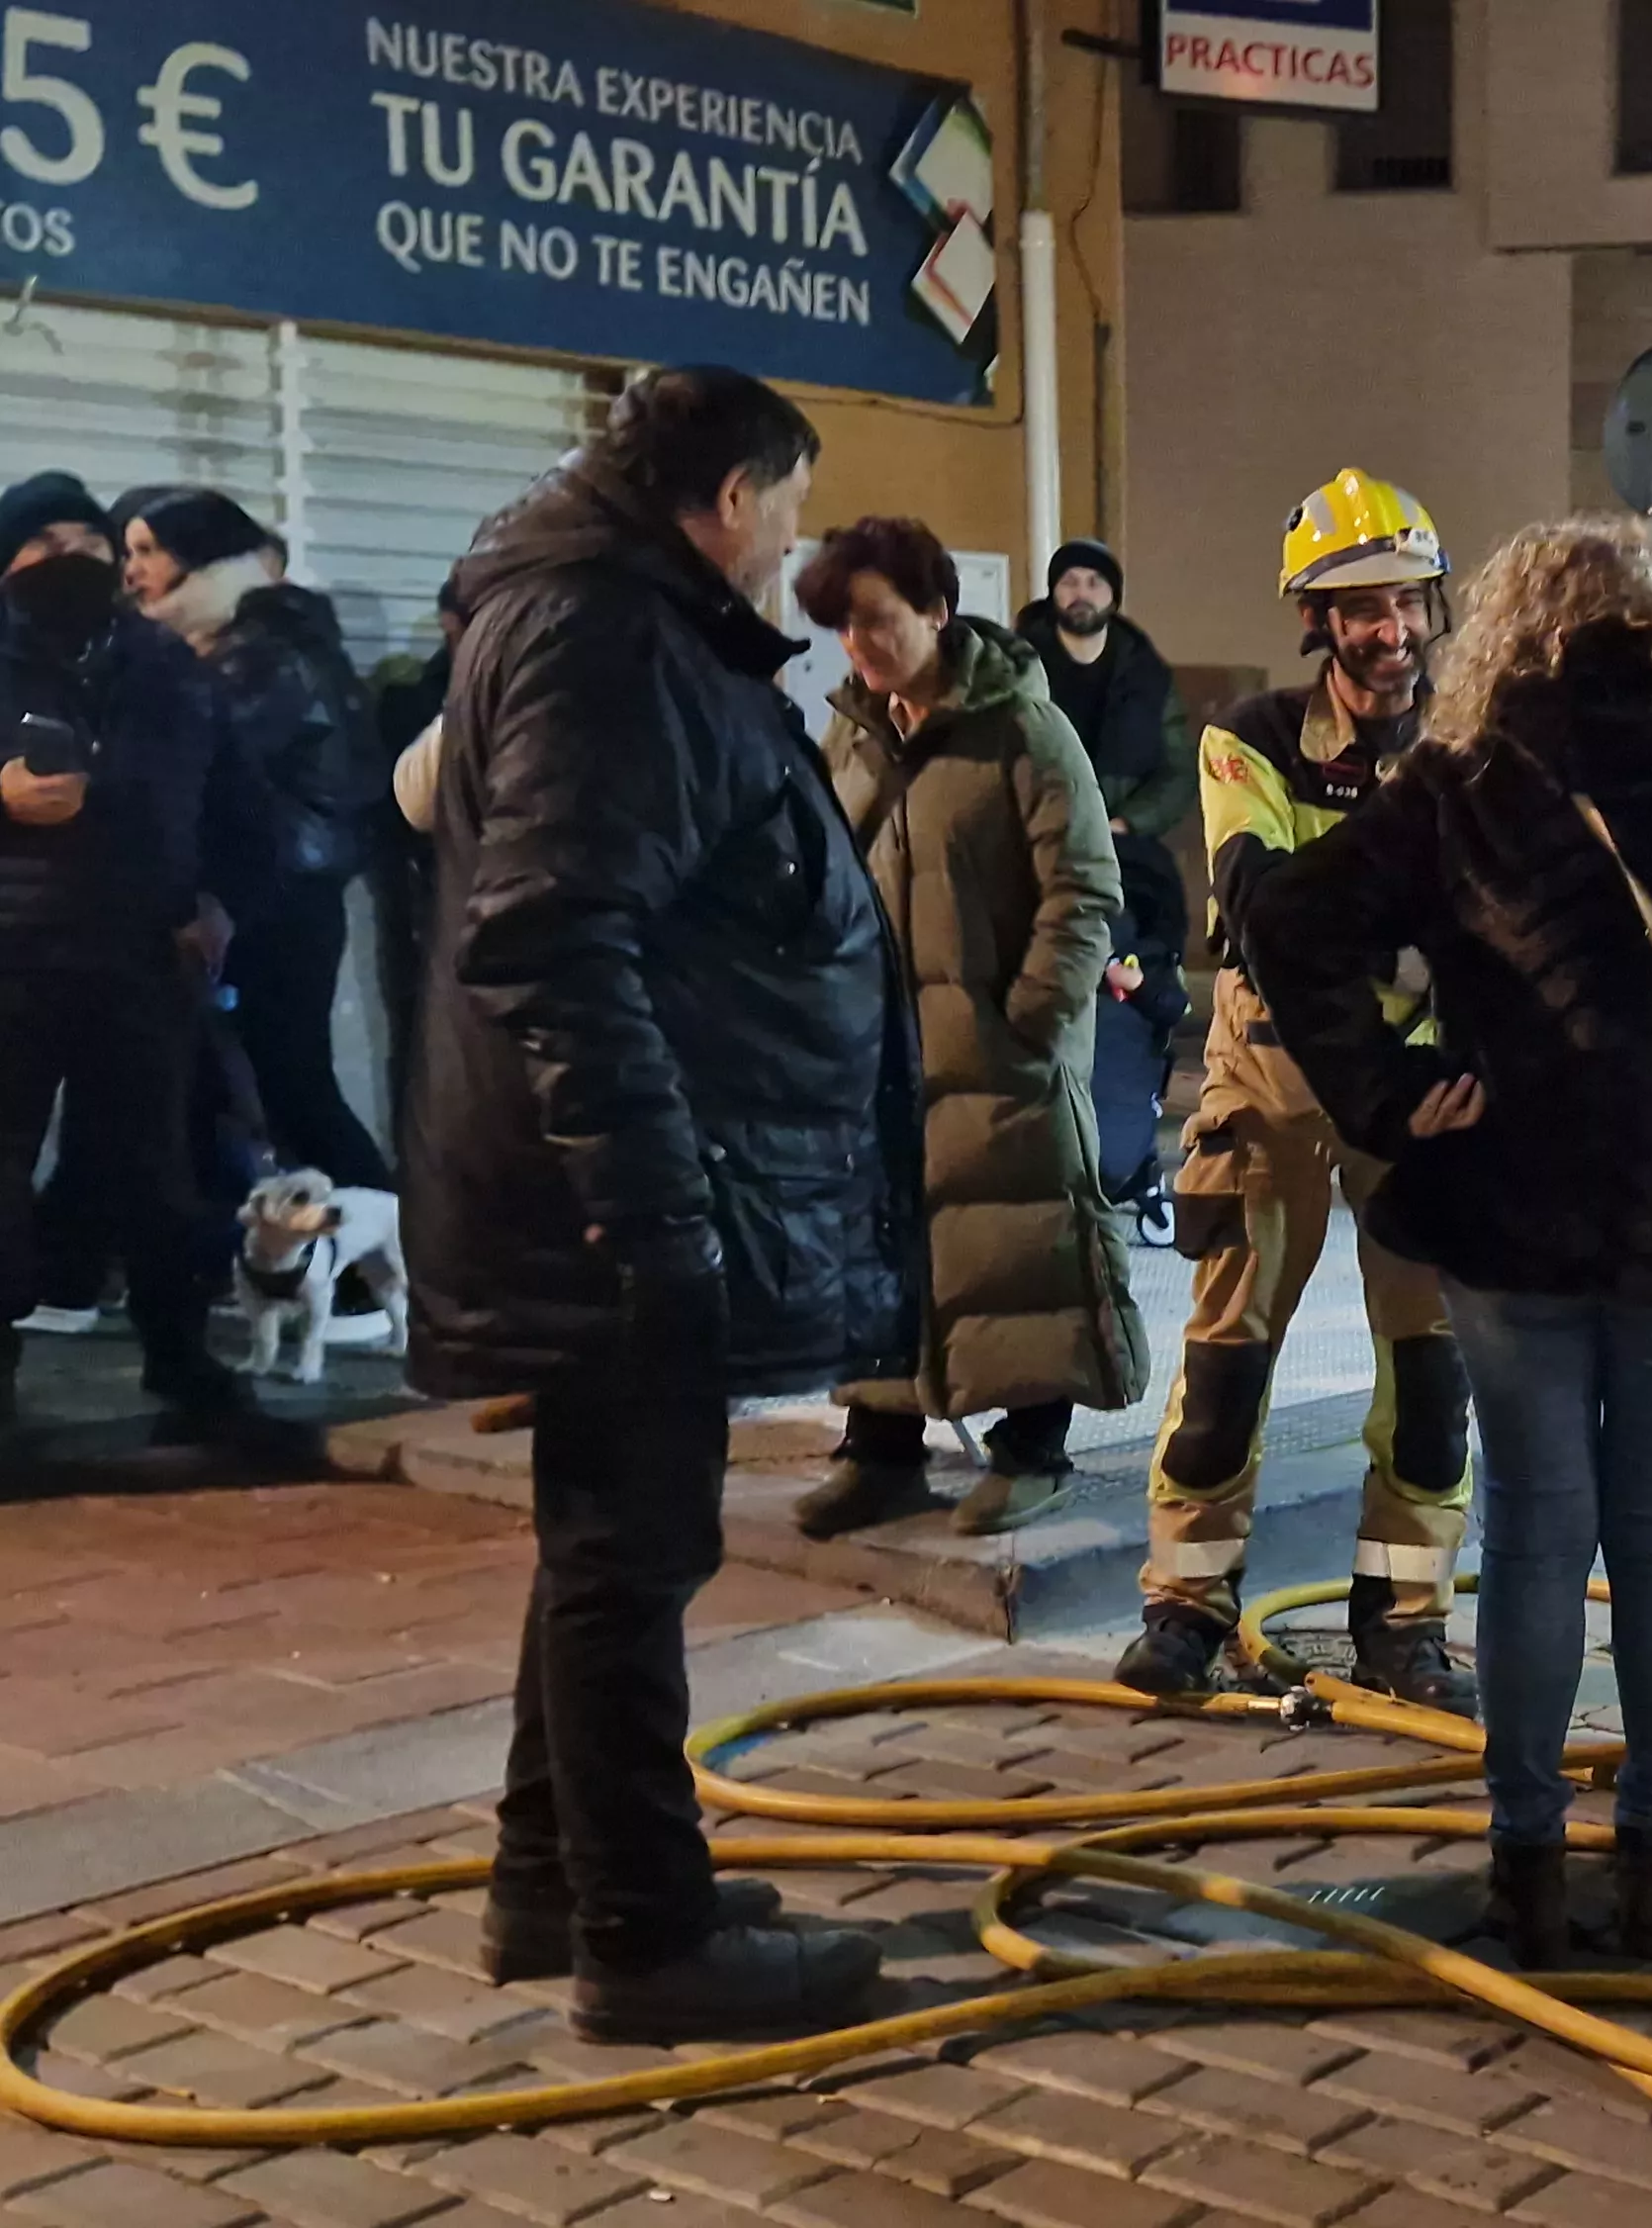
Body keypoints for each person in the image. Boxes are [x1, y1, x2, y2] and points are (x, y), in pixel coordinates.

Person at [1238, 512, 1652, 1966]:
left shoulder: (1463, 779)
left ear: (1515, 631)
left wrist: (1393, 1093)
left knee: (1530, 1538)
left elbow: (1290, 922)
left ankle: (1525, 1868)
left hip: (1508, 1204)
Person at [408, 367, 908, 2040]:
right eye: (790, 505)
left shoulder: (605, 620)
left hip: (626, 1185)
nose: (795, 543)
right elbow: (560, 934)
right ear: (729, 500)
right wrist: (655, 1215)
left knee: (609, 1542)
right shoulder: (609, 638)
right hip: (621, 1200)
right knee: (631, 1549)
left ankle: (562, 1878)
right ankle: (646, 1935)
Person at [1119, 472, 1480, 1708]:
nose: (1388, 630)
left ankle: (1402, 1622)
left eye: (1404, 602)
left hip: (1423, 1094)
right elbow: (1270, 922)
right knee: (1226, 1357)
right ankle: (1185, 1608)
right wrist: (1403, 921)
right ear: (1315, 622)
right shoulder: (1250, 739)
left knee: (1430, 1375)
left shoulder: (1472, 737)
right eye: (1357, 607)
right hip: (1272, 1073)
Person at [788, 517, 1147, 1540]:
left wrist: (1026, 1020)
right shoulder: (853, 730)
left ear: (938, 610)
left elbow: (1083, 888)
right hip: (879, 1051)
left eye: (875, 621)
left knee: (1022, 1243)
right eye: (842, 629)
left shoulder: (1024, 730)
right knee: (883, 1247)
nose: (857, 646)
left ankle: (1032, 1446)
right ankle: (881, 1447)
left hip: (999, 1050)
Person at [0, 469, 247, 1429]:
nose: (70, 558)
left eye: (86, 539)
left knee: (155, 1174)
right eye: (41, 542)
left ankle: (182, 1358)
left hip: (140, 961)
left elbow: (239, 805)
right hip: (11, 961)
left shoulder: (169, 664)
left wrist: (224, 899)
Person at [126, 488, 396, 1197]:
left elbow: (195, 771)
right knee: (227, 1086)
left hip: (277, 902)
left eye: (149, 551)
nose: (133, 571)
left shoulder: (258, 654)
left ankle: (386, 1248)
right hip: (262, 896)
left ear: (203, 558)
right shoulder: (232, 644)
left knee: (286, 1083)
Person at [1015, 539, 1195, 1221]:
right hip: (1037, 853)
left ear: (1112, 595)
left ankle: (1121, 1150)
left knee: (1130, 995)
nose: (1081, 593)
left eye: (1094, 581)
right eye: (1070, 582)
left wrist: (1127, 822)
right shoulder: (1020, 663)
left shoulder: (1144, 673)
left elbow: (1177, 769)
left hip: (1127, 859)